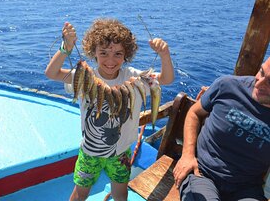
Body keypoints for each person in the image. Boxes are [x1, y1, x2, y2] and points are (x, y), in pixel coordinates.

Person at [45, 18, 174, 201]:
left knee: (120, 193)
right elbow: (51, 73)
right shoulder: (85, 77)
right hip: (90, 153)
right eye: (103, 53)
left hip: (121, 153)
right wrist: (66, 48)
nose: (110, 60)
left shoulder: (133, 77)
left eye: (118, 54)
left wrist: (164, 55)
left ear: (126, 54)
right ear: (93, 52)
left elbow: (165, 79)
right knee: (80, 192)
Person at [173, 57, 270, 201]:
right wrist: (187, 154)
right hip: (203, 172)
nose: (259, 83)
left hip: (247, 189)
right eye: (261, 72)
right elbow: (194, 113)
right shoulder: (228, 85)